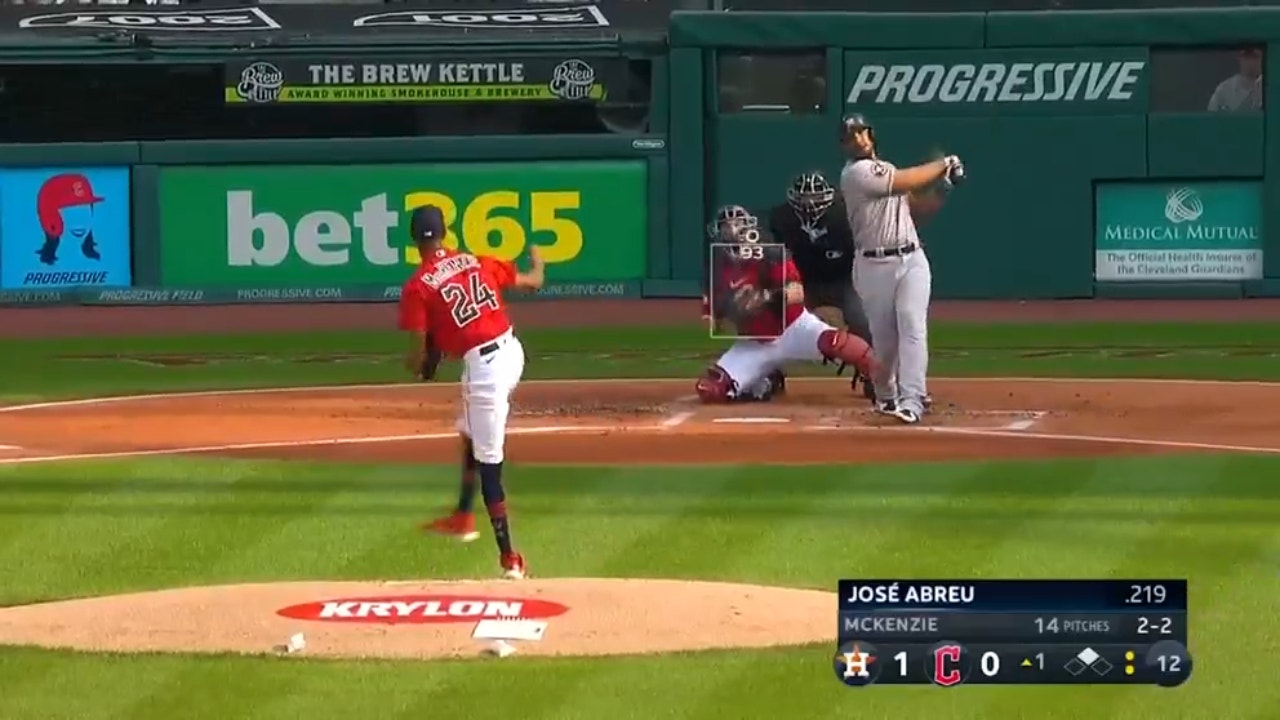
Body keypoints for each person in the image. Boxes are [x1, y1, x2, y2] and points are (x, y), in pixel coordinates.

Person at [398, 204, 545, 580]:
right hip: (512, 351)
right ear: (445, 233)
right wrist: (538, 260)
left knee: (490, 465)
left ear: (414, 240)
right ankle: (463, 516)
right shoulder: (476, 260)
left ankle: (510, 558)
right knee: (469, 429)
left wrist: (419, 364)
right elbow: (533, 281)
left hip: (486, 373)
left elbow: (418, 355)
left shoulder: (417, 286)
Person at [838, 114, 963, 424]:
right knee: (885, 343)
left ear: (871, 134)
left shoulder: (884, 168)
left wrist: (944, 186)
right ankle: (886, 395)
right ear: (844, 145)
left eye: (862, 132)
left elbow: (917, 211)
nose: (859, 139)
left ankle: (913, 399)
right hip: (873, 266)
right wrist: (944, 163)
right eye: (852, 136)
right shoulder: (856, 174)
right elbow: (906, 180)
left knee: (912, 324)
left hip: (911, 259)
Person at [695, 204, 879, 404]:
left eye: (737, 225)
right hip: (756, 341)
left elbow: (796, 293)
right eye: (726, 228)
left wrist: (766, 298)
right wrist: (731, 309)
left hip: (795, 327)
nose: (732, 232)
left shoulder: (771, 255)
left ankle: (882, 383)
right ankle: (765, 381)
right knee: (711, 389)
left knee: (845, 346)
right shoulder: (717, 269)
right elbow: (712, 320)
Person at [768, 171, 876, 402]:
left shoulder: (845, 216)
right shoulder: (781, 219)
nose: (809, 204)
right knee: (772, 317)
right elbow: (774, 258)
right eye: (804, 198)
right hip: (802, 283)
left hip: (842, 280)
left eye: (815, 198)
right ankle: (769, 372)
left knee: (864, 318)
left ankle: (872, 372)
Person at [1208, 47, 1264, 112]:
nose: (1250, 62)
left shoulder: (1271, 88)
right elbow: (1212, 114)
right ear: (1239, 58)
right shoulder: (1224, 90)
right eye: (1246, 57)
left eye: (1255, 57)